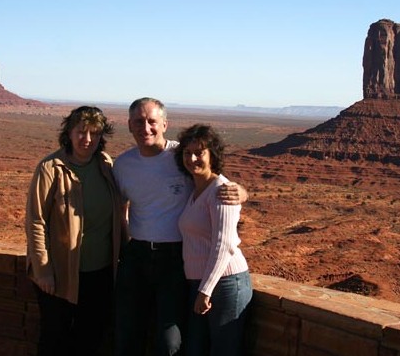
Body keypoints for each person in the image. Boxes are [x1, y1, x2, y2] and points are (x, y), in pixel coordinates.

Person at [113, 97, 247, 356]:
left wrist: (242, 192)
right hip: (136, 256)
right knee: (127, 333)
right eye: (138, 122)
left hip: (175, 259)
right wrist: (125, 249)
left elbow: (214, 180)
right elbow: (119, 210)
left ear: (165, 124)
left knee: (170, 342)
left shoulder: (181, 155)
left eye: (152, 121)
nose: (146, 128)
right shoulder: (123, 165)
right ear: (129, 125)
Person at [25, 106, 125, 356]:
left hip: (100, 272)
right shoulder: (51, 168)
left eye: (95, 133)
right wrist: (43, 269)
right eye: (81, 131)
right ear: (69, 133)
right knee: (55, 338)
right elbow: (36, 221)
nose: (87, 139)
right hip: (60, 272)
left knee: (90, 337)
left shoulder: (105, 165)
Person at [175, 124, 252, 356]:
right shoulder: (194, 188)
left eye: (200, 152)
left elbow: (224, 244)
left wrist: (205, 291)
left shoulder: (221, 190)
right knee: (196, 348)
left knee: (223, 349)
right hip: (201, 282)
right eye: (187, 153)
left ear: (212, 155)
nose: (192, 158)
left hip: (226, 283)